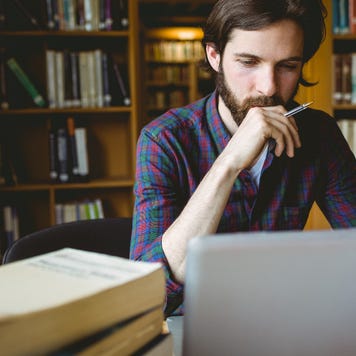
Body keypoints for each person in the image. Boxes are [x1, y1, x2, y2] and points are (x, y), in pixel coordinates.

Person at [130, 0, 356, 316]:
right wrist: (229, 162)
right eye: (249, 62)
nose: (268, 87)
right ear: (214, 55)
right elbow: (144, 296)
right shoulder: (164, 140)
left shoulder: (319, 135)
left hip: (283, 323)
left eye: (288, 66)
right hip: (193, 327)